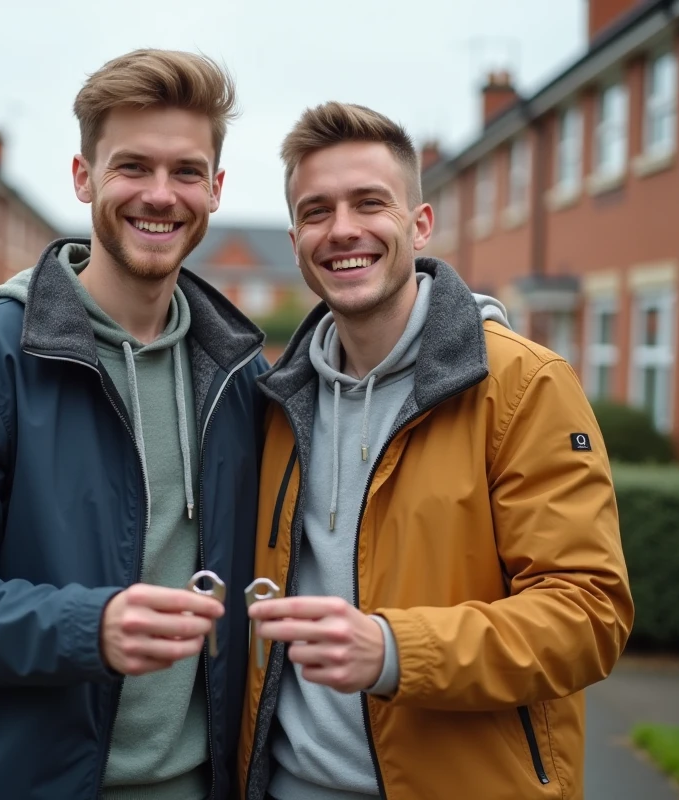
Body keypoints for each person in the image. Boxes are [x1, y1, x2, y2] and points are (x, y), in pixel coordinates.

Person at [0, 49, 269, 800]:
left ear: (215, 189)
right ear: (84, 177)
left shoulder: (238, 374)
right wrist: (89, 627)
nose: (161, 194)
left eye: (187, 171)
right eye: (133, 167)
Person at [237, 102, 634, 800]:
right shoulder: (276, 400)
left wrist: (393, 651)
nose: (343, 229)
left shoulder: (523, 384)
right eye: (317, 211)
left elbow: (588, 614)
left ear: (419, 225)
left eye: (370, 203)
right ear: (297, 240)